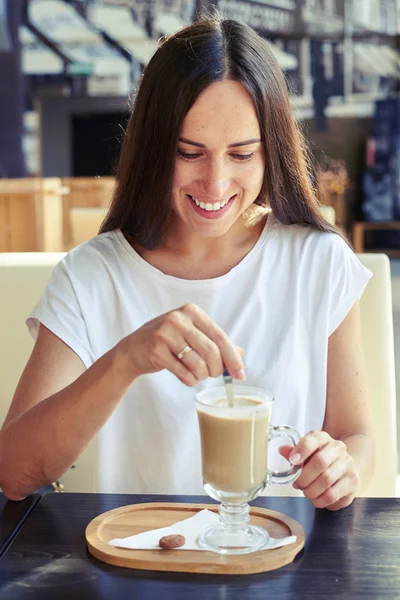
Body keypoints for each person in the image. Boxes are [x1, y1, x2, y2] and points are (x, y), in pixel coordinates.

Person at [0, 16, 374, 510]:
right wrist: (125, 360)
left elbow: (357, 437)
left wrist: (342, 468)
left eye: (241, 154)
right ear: (154, 148)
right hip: (136, 565)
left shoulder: (317, 262)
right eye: (189, 152)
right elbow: (14, 473)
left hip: (279, 562)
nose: (216, 185)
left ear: (271, 153)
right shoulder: (92, 276)